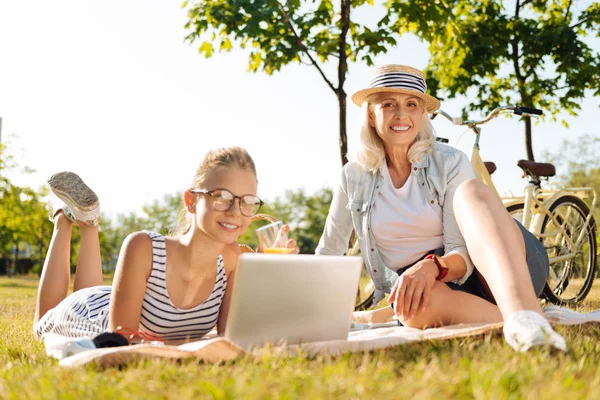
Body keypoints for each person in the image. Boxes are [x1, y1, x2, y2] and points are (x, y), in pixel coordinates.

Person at [315, 64, 566, 352]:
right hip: (435, 284)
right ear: (371, 114)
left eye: (411, 104)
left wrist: (431, 265)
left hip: (499, 260)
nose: (401, 114)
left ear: (423, 114)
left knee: (471, 190)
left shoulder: (449, 161)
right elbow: (329, 252)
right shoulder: (353, 175)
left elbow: (462, 252)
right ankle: (527, 322)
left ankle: (523, 309)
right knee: (411, 311)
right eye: (388, 104)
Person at [33, 146, 265, 345]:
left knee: (93, 293)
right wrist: (194, 347)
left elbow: (229, 339)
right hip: (85, 315)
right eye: (222, 196)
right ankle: (63, 220)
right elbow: (121, 340)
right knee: (42, 324)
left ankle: (88, 222)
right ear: (191, 201)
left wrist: (270, 277)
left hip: (116, 299)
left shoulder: (232, 257)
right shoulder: (144, 248)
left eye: (247, 201)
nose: (235, 211)